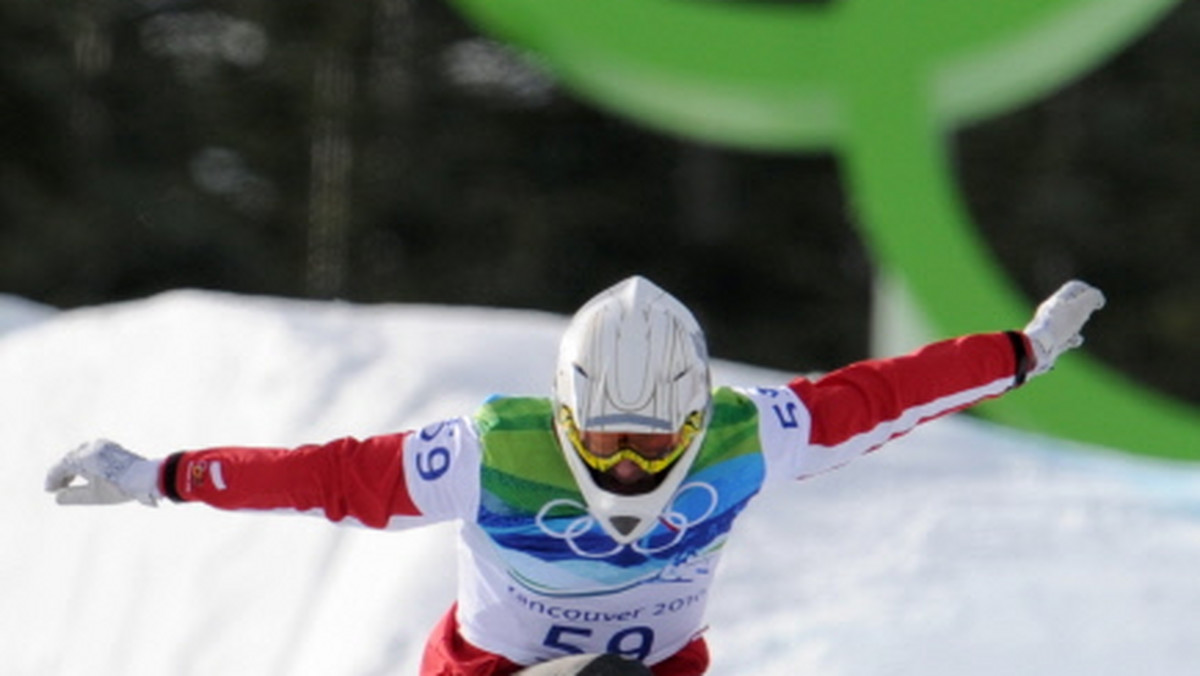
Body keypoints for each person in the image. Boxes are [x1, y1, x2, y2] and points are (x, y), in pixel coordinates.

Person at [45, 276, 1105, 676]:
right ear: (565, 417)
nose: (633, 465)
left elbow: (883, 392)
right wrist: (162, 475)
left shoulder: (751, 431)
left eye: (655, 446)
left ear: (695, 421)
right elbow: (325, 475)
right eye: (608, 446)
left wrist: (1018, 352)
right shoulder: (491, 451)